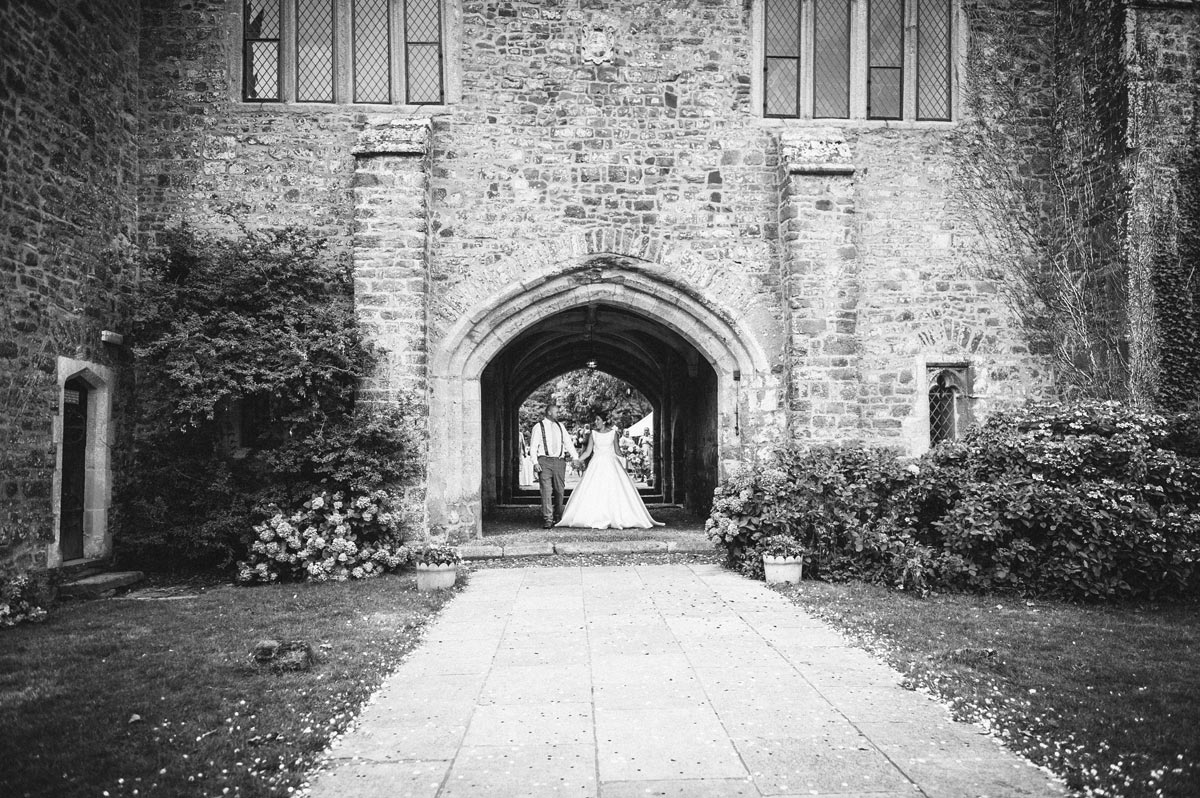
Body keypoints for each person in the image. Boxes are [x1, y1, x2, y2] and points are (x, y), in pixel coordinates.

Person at [557, 413, 663, 529]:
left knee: (614, 489)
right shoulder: (593, 433)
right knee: (595, 489)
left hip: (612, 463)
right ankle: (595, 516)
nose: (595, 422)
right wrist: (577, 459)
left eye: (598, 419)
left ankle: (617, 516)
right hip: (596, 464)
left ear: (604, 421)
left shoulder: (614, 433)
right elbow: (588, 451)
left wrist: (631, 453)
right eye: (595, 420)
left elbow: (617, 451)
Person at [529, 402, 579, 528]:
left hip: (559, 461)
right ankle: (548, 519)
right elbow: (533, 446)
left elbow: (568, 442)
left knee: (559, 490)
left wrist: (575, 457)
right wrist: (535, 462)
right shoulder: (538, 427)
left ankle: (558, 515)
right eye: (556, 412)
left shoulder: (560, 426)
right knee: (546, 490)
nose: (558, 414)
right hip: (544, 461)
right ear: (549, 412)